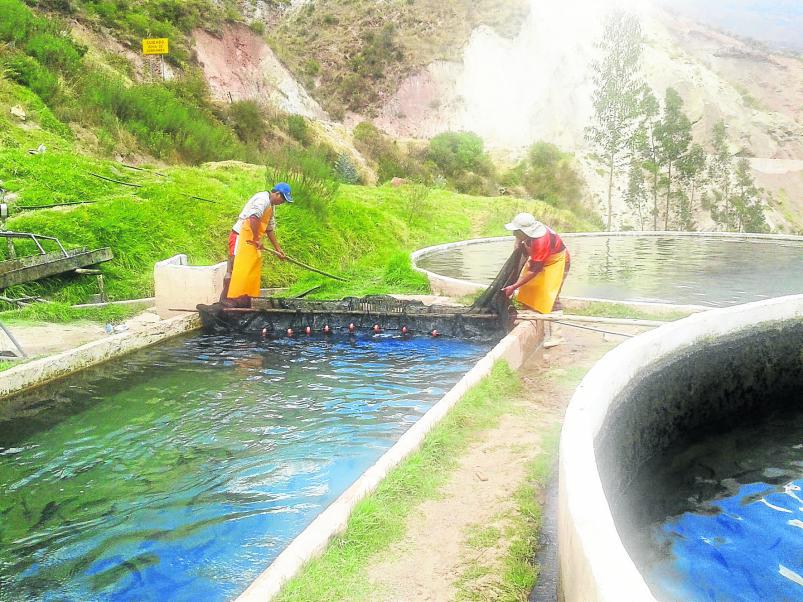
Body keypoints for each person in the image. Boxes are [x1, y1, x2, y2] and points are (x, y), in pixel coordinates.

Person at [222, 183, 292, 304]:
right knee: (234, 268)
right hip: (240, 236)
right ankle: (225, 301)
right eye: (283, 199)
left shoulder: (271, 206)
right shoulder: (262, 199)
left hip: (251, 240)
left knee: (248, 271)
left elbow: (269, 229)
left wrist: (278, 249)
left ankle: (241, 300)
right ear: (277, 194)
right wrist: (256, 239)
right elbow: (254, 217)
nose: (282, 202)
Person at [501, 212, 570, 313]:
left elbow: (534, 271)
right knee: (529, 286)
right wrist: (517, 241)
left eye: (517, 231)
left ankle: (554, 315)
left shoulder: (541, 241)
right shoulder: (529, 232)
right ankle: (529, 309)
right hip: (540, 259)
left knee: (549, 292)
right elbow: (519, 238)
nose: (514, 233)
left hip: (556, 261)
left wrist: (514, 287)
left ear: (526, 232)